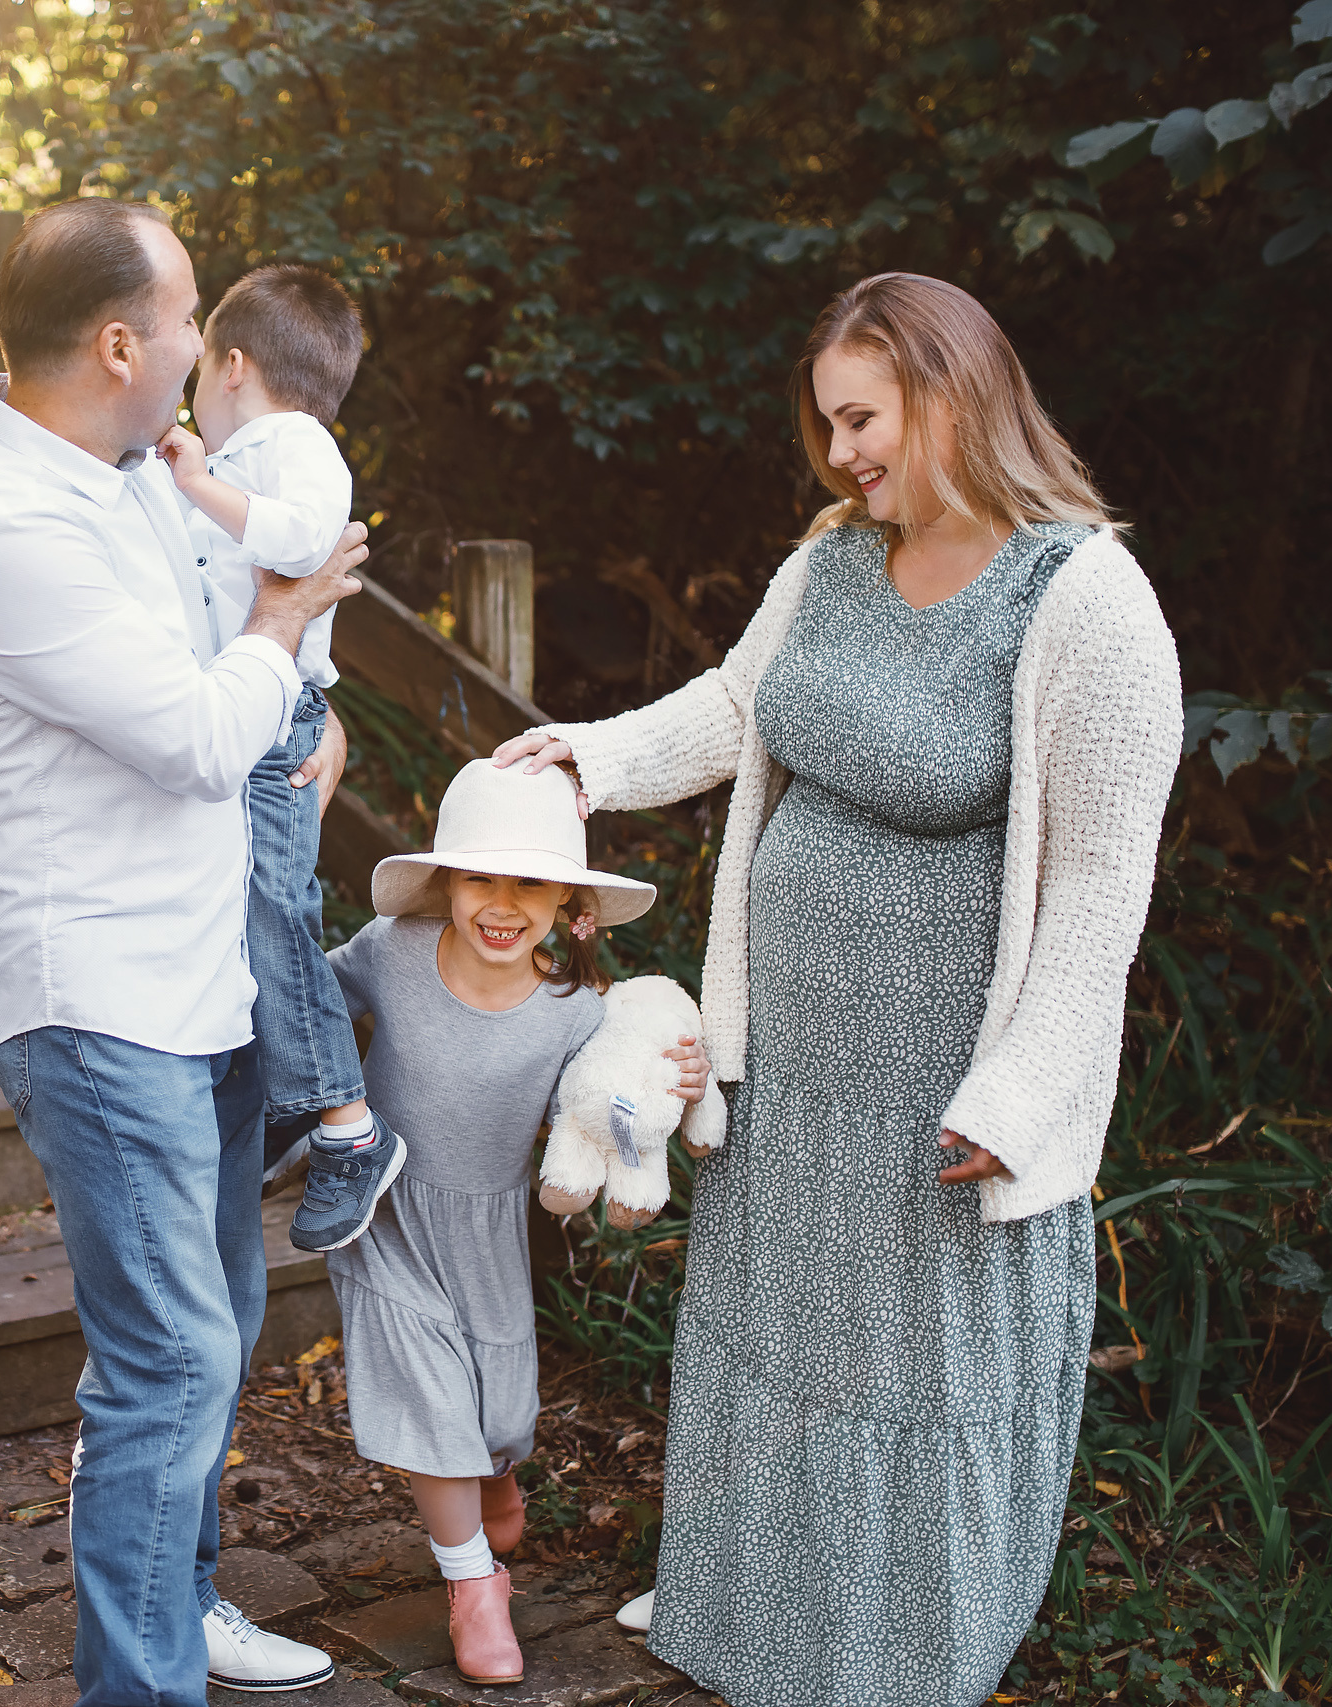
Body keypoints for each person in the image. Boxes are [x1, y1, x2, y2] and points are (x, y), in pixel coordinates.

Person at [495, 272, 1182, 1707]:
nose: (844, 453)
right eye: (830, 426)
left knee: (913, 1385)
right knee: (782, 1350)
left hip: (945, 1090)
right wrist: (588, 760)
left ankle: (893, 1660)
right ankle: (754, 1614)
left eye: (863, 417)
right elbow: (741, 706)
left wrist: (1023, 1091)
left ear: (952, 388)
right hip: (795, 1062)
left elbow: (1101, 894)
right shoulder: (831, 563)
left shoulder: (1086, 595)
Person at [0, 197, 370, 1707]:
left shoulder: (124, 474)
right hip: (99, 1001)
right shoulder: (4, 527)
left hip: (202, 977)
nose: (199, 343)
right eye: (184, 317)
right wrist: (290, 616)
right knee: (169, 1361)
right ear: (120, 343)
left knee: (215, 1334)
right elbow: (188, 735)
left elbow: (223, 659)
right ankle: (144, 1677)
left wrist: (306, 682)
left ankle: (176, 1599)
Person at [324, 758, 704, 1684]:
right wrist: (321, 1112)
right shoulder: (393, 948)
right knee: (431, 1394)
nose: (502, 902)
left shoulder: (573, 1012)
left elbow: (612, 1096)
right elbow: (310, 1003)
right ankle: (473, 1586)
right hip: (388, 1212)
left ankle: (495, 1466)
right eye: (480, 876)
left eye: (529, 881)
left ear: (567, 901)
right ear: (446, 880)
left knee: (497, 1413)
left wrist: (676, 1083)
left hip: (491, 1230)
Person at [154, 262, 406, 1255]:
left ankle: (346, 1125)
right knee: (246, 910)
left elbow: (308, 539)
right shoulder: (242, 454)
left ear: (230, 366)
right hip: (239, 718)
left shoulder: (292, 445)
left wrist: (200, 484)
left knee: (273, 910)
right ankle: (288, 1097)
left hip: (277, 724)